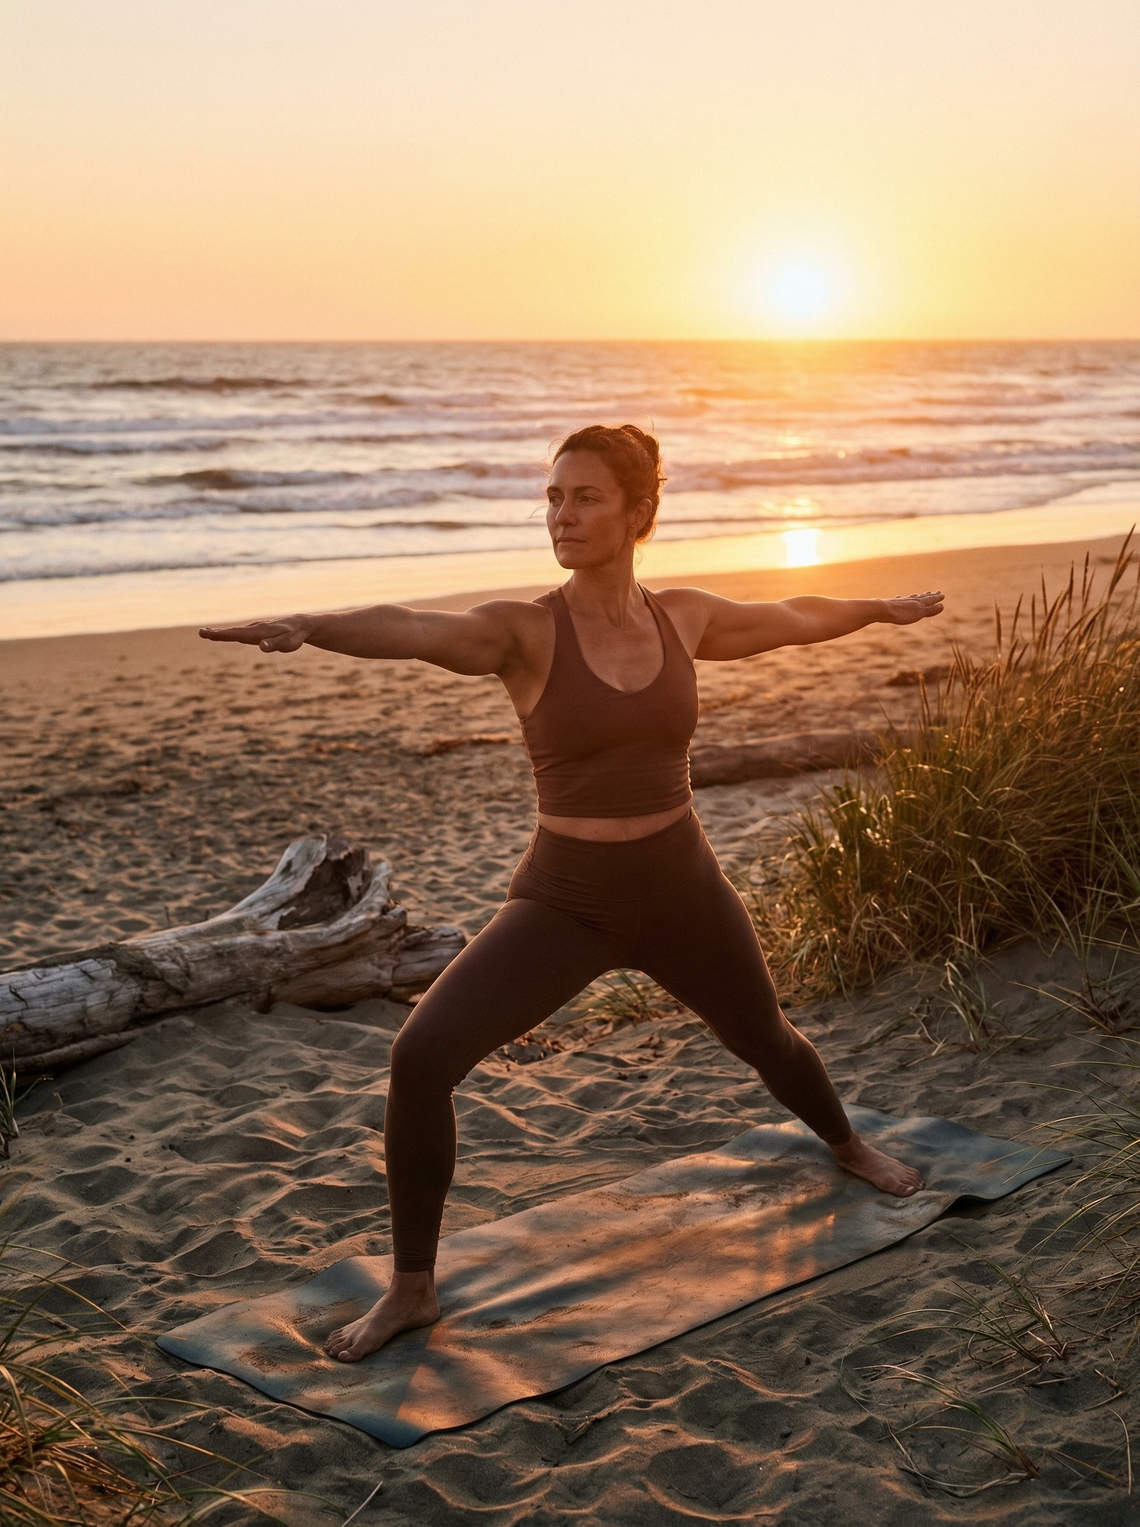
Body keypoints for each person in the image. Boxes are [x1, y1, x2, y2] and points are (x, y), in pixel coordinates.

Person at [201, 424, 943, 1363]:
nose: (561, 515)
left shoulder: (687, 616)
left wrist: (879, 607)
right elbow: (421, 629)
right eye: (552, 497)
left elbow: (791, 614)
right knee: (422, 1057)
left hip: (683, 887)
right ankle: (413, 1289)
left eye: (584, 496)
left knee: (765, 1037)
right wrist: (315, 626)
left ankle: (844, 1143)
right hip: (565, 902)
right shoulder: (524, 629)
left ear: (639, 512)